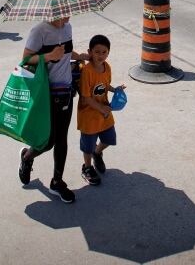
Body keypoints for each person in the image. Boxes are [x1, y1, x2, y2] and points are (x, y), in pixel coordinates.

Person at [18, 17, 88, 203]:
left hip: (65, 91)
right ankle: (27, 156)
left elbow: (65, 52)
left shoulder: (68, 28)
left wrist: (78, 56)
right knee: (48, 141)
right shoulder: (39, 30)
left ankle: (57, 182)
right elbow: (25, 59)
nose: (68, 16)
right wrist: (49, 56)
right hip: (46, 94)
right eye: (64, 11)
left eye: (69, 11)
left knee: (62, 139)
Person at [77, 35, 122, 186]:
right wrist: (102, 108)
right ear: (89, 52)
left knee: (109, 138)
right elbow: (86, 98)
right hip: (89, 115)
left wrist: (115, 89)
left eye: (104, 52)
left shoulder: (107, 67)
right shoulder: (87, 71)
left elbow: (105, 84)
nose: (101, 55)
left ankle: (98, 152)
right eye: (97, 52)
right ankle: (87, 167)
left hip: (104, 113)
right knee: (87, 146)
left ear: (108, 53)